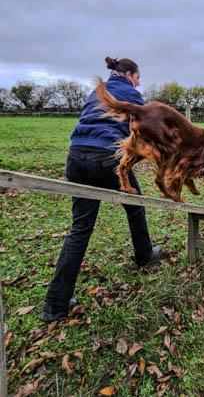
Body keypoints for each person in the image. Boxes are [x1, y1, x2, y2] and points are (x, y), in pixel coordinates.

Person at [40, 56, 163, 323]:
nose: (139, 83)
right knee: (135, 207)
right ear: (131, 75)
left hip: (76, 156)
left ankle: (55, 305)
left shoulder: (97, 90)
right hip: (107, 159)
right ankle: (144, 255)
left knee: (80, 228)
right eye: (139, 78)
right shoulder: (132, 94)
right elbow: (145, 129)